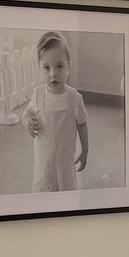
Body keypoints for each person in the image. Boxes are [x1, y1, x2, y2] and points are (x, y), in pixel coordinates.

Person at [17, 31, 88, 191]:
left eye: (59, 66)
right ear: (40, 68)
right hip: (44, 163)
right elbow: (26, 114)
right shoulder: (38, 94)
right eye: (46, 67)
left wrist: (85, 150)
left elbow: (82, 125)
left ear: (69, 66)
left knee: (65, 193)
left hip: (65, 162)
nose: (53, 74)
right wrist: (27, 122)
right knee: (44, 191)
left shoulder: (75, 98)